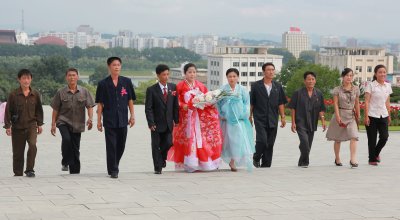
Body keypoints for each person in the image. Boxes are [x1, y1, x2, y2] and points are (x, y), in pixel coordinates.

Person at [168, 63, 222, 172]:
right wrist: (185, 105)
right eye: (189, 72)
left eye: (194, 72)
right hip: (186, 118)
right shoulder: (179, 86)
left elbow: (208, 99)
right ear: (185, 73)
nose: (192, 74)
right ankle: (189, 164)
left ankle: (202, 163)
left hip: (199, 117)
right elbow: (176, 101)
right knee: (190, 139)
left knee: (200, 140)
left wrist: (207, 102)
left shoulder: (201, 86)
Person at [95, 57, 136, 178]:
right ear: (109, 67)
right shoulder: (103, 84)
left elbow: (130, 100)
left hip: (123, 119)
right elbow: (100, 103)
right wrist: (99, 121)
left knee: (121, 145)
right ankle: (113, 170)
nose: (117, 67)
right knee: (111, 145)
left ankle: (114, 164)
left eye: (118, 65)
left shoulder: (127, 82)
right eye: (114, 65)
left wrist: (132, 116)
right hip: (109, 120)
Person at [50, 68, 95, 174]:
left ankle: (75, 172)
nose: (72, 77)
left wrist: (90, 118)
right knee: (66, 139)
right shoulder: (60, 92)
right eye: (69, 75)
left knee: (75, 148)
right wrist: (53, 124)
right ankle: (65, 161)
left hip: (78, 124)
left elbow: (89, 106)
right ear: (66, 77)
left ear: (77, 77)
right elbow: (55, 109)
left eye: (74, 75)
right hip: (63, 121)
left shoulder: (84, 91)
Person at [3, 69, 44, 177]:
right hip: (17, 127)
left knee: (33, 145)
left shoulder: (35, 94)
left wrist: (39, 124)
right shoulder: (13, 94)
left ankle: (30, 169)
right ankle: (18, 173)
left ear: (31, 79)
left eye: (28, 78)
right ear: (19, 80)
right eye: (24, 78)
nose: (26, 81)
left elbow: (39, 110)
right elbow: (8, 111)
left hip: (31, 125)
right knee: (18, 153)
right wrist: (8, 126)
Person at [250, 62, 287, 168]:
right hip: (259, 118)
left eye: (272, 69)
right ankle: (256, 157)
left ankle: (266, 165)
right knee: (262, 140)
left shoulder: (278, 86)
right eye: (268, 70)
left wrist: (283, 117)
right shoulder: (256, 86)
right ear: (264, 72)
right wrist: (250, 116)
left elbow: (281, 103)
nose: (271, 72)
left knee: (270, 143)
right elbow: (252, 103)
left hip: (273, 118)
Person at [217, 68, 255, 172]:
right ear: (227, 78)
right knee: (227, 141)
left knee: (238, 141)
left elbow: (247, 103)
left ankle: (233, 161)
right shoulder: (223, 89)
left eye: (234, 76)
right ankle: (220, 160)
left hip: (239, 120)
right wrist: (222, 115)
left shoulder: (242, 89)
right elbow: (218, 104)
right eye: (230, 76)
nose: (232, 78)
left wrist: (244, 115)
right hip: (226, 121)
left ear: (237, 77)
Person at [145, 64, 179, 174]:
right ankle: (157, 167)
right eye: (164, 74)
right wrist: (151, 123)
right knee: (155, 145)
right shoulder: (151, 90)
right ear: (158, 75)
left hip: (169, 123)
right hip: (156, 123)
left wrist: (176, 120)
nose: (166, 76)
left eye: (168, 74)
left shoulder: (173, 87)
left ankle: (162, 158)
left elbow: (175, 105)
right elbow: (148, 108)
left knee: (169, 143)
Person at [288, 71, 326, 168]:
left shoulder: (318, 93)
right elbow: (293, 108)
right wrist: (293, 123)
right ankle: (305, 162)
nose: (310, 81)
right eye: (308, 79)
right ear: (304, 81)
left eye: (312, 79)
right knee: (305, 142)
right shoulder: (298, 93)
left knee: (308, 144)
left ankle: (301, 161)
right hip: (300, 121)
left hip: (312, 122)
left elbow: (321, 109)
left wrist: (323, 120)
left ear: (315, 81)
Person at [326, 68, 360, 168]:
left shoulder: (356, 89)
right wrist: (337, 116)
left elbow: (357, 103)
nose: (349, 77)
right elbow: (335, 103)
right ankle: (337, 158)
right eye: (347, 75)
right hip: (340, 114)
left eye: (351, 75)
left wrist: (358, 114)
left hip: (351, 115)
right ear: (343, 77)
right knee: (338, 139)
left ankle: (353, 159)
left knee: (354, 136)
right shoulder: (337, 89)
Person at [364, 64, 392, 166]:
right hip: (372, 115)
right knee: (372, 139)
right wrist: (366, 116)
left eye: (384, 72)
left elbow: (387, 101)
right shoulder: (370, 85)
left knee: (384, 137)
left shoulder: (388, 86)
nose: (382, 74)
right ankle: (372, 159)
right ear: (375, 74)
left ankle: (375, 153)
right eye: (380, 72)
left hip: (383, 115)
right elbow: (366, 101)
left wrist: (389, 115)